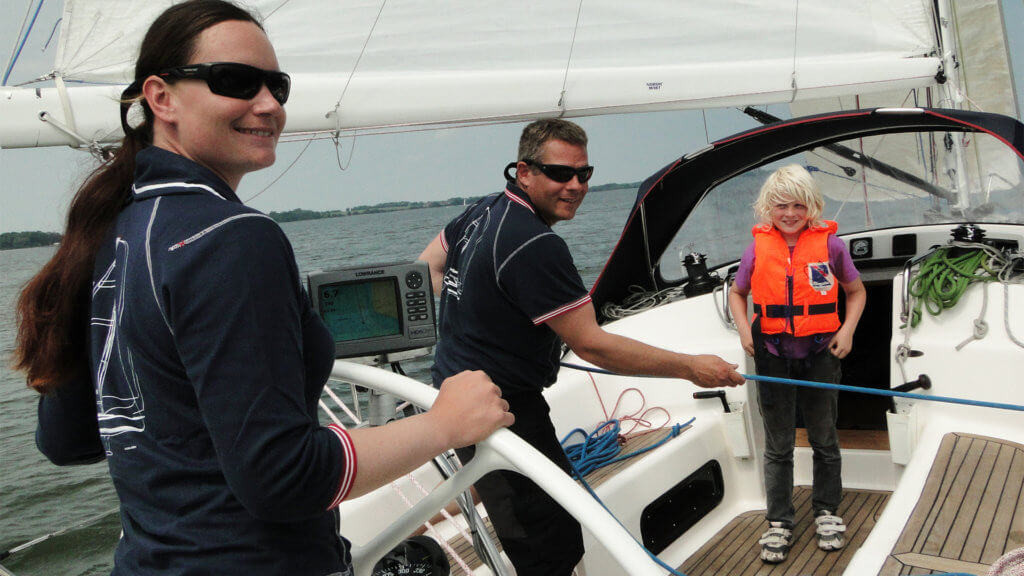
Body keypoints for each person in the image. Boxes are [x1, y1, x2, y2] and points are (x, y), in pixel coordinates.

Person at [12, 2, 513, 574]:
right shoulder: (234, 238)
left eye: (278, 86)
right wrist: (444, 424)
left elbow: (67, 438)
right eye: (236, 81)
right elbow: (282, 475)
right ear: (161, 98)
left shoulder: (111, 232)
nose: (269, 104)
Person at [419, 118, 745, 575]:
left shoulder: (481, 211)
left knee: (523, 524)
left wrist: (490, 315)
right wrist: (692, 367)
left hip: (456, 396)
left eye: (584, 174)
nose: (575, 186)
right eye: (560, 173)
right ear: (523, 171)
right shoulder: (535, 244)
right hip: (505, 412)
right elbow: (595, 347)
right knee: (549, 543)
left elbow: (428, 269)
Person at [727, 164, 866, 564]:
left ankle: (826, 511)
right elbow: (739, 294)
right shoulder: (756, 249)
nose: (789, 213)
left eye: (798, 205)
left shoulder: (832, 247)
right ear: (767, 209)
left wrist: (848, 331)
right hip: (772, 354)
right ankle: (779, 521)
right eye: (781, 205)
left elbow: (855, 292)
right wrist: (744, 331)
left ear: (812, 207)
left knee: (824, 437)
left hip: (821, 352)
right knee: (778, 444)